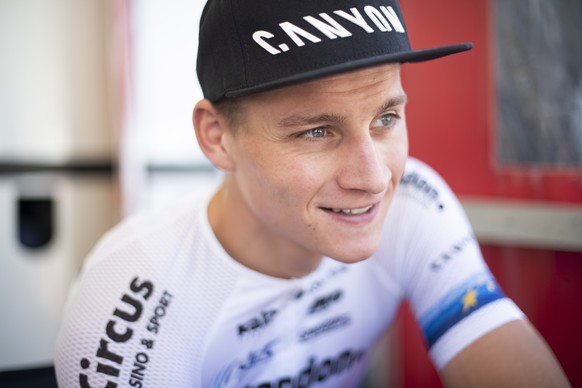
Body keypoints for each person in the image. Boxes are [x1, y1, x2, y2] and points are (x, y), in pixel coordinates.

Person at [55, 0, 570, 387]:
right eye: (316, 131)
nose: (372, 179)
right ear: (217, 136)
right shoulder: (129, 297)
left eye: (386, 118)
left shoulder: (412, 202)